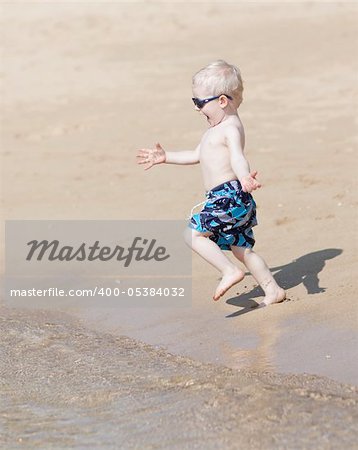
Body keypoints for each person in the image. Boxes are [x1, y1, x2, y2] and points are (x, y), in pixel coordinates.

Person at [137, 60, 286, 307]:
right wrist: (166, 157)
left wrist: (245, 176)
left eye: (199, 102)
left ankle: (229, 271)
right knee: (242, 249)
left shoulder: (230, 128)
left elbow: (238, 156)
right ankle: (273, 290)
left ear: (222, 101)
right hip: (230, 198)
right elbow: (196, 155)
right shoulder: (214, 130)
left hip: (229, 196)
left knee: (192, 234)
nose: (196, 109)